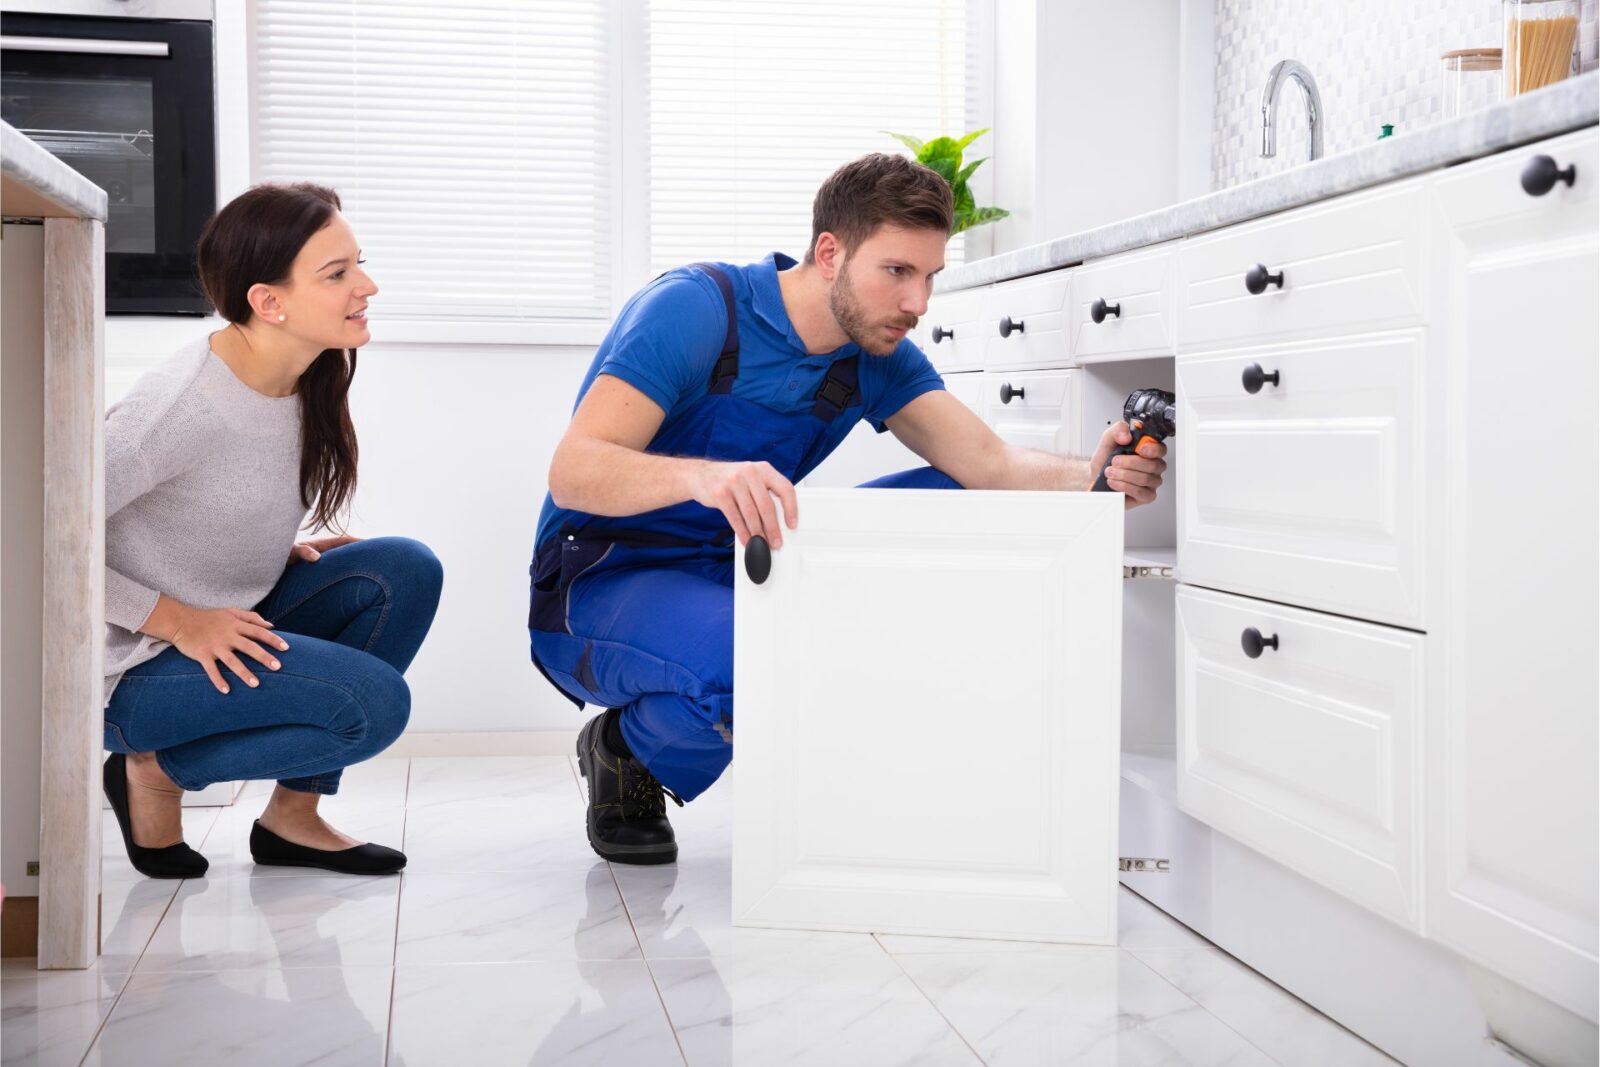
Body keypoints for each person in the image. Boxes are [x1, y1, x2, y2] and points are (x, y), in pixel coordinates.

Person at [529, 153, 1165, 865]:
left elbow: (989, 465)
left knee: (972, 501)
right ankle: (624, 749)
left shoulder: (875, 352)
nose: (917, 303)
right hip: (600, 578)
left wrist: (1097, 473)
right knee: (754, 658)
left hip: (737, 563)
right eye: (897, 272)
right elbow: (572, 472)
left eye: (929, 278)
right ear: (829, 253)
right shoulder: (694, 309)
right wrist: (705, 478)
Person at [101, 183, 442, 879]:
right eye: (338, 274)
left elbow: (205, 499)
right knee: (371, 707)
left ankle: (293, 817)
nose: (366, 286)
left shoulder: (303, 375)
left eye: (359, 264)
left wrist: (258, 547)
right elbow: (33, 542)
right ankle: (154, 770)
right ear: (269, 301)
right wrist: (177, 620)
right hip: (128, 669)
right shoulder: (177, 407)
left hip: (225, 618)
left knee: (403, 569)